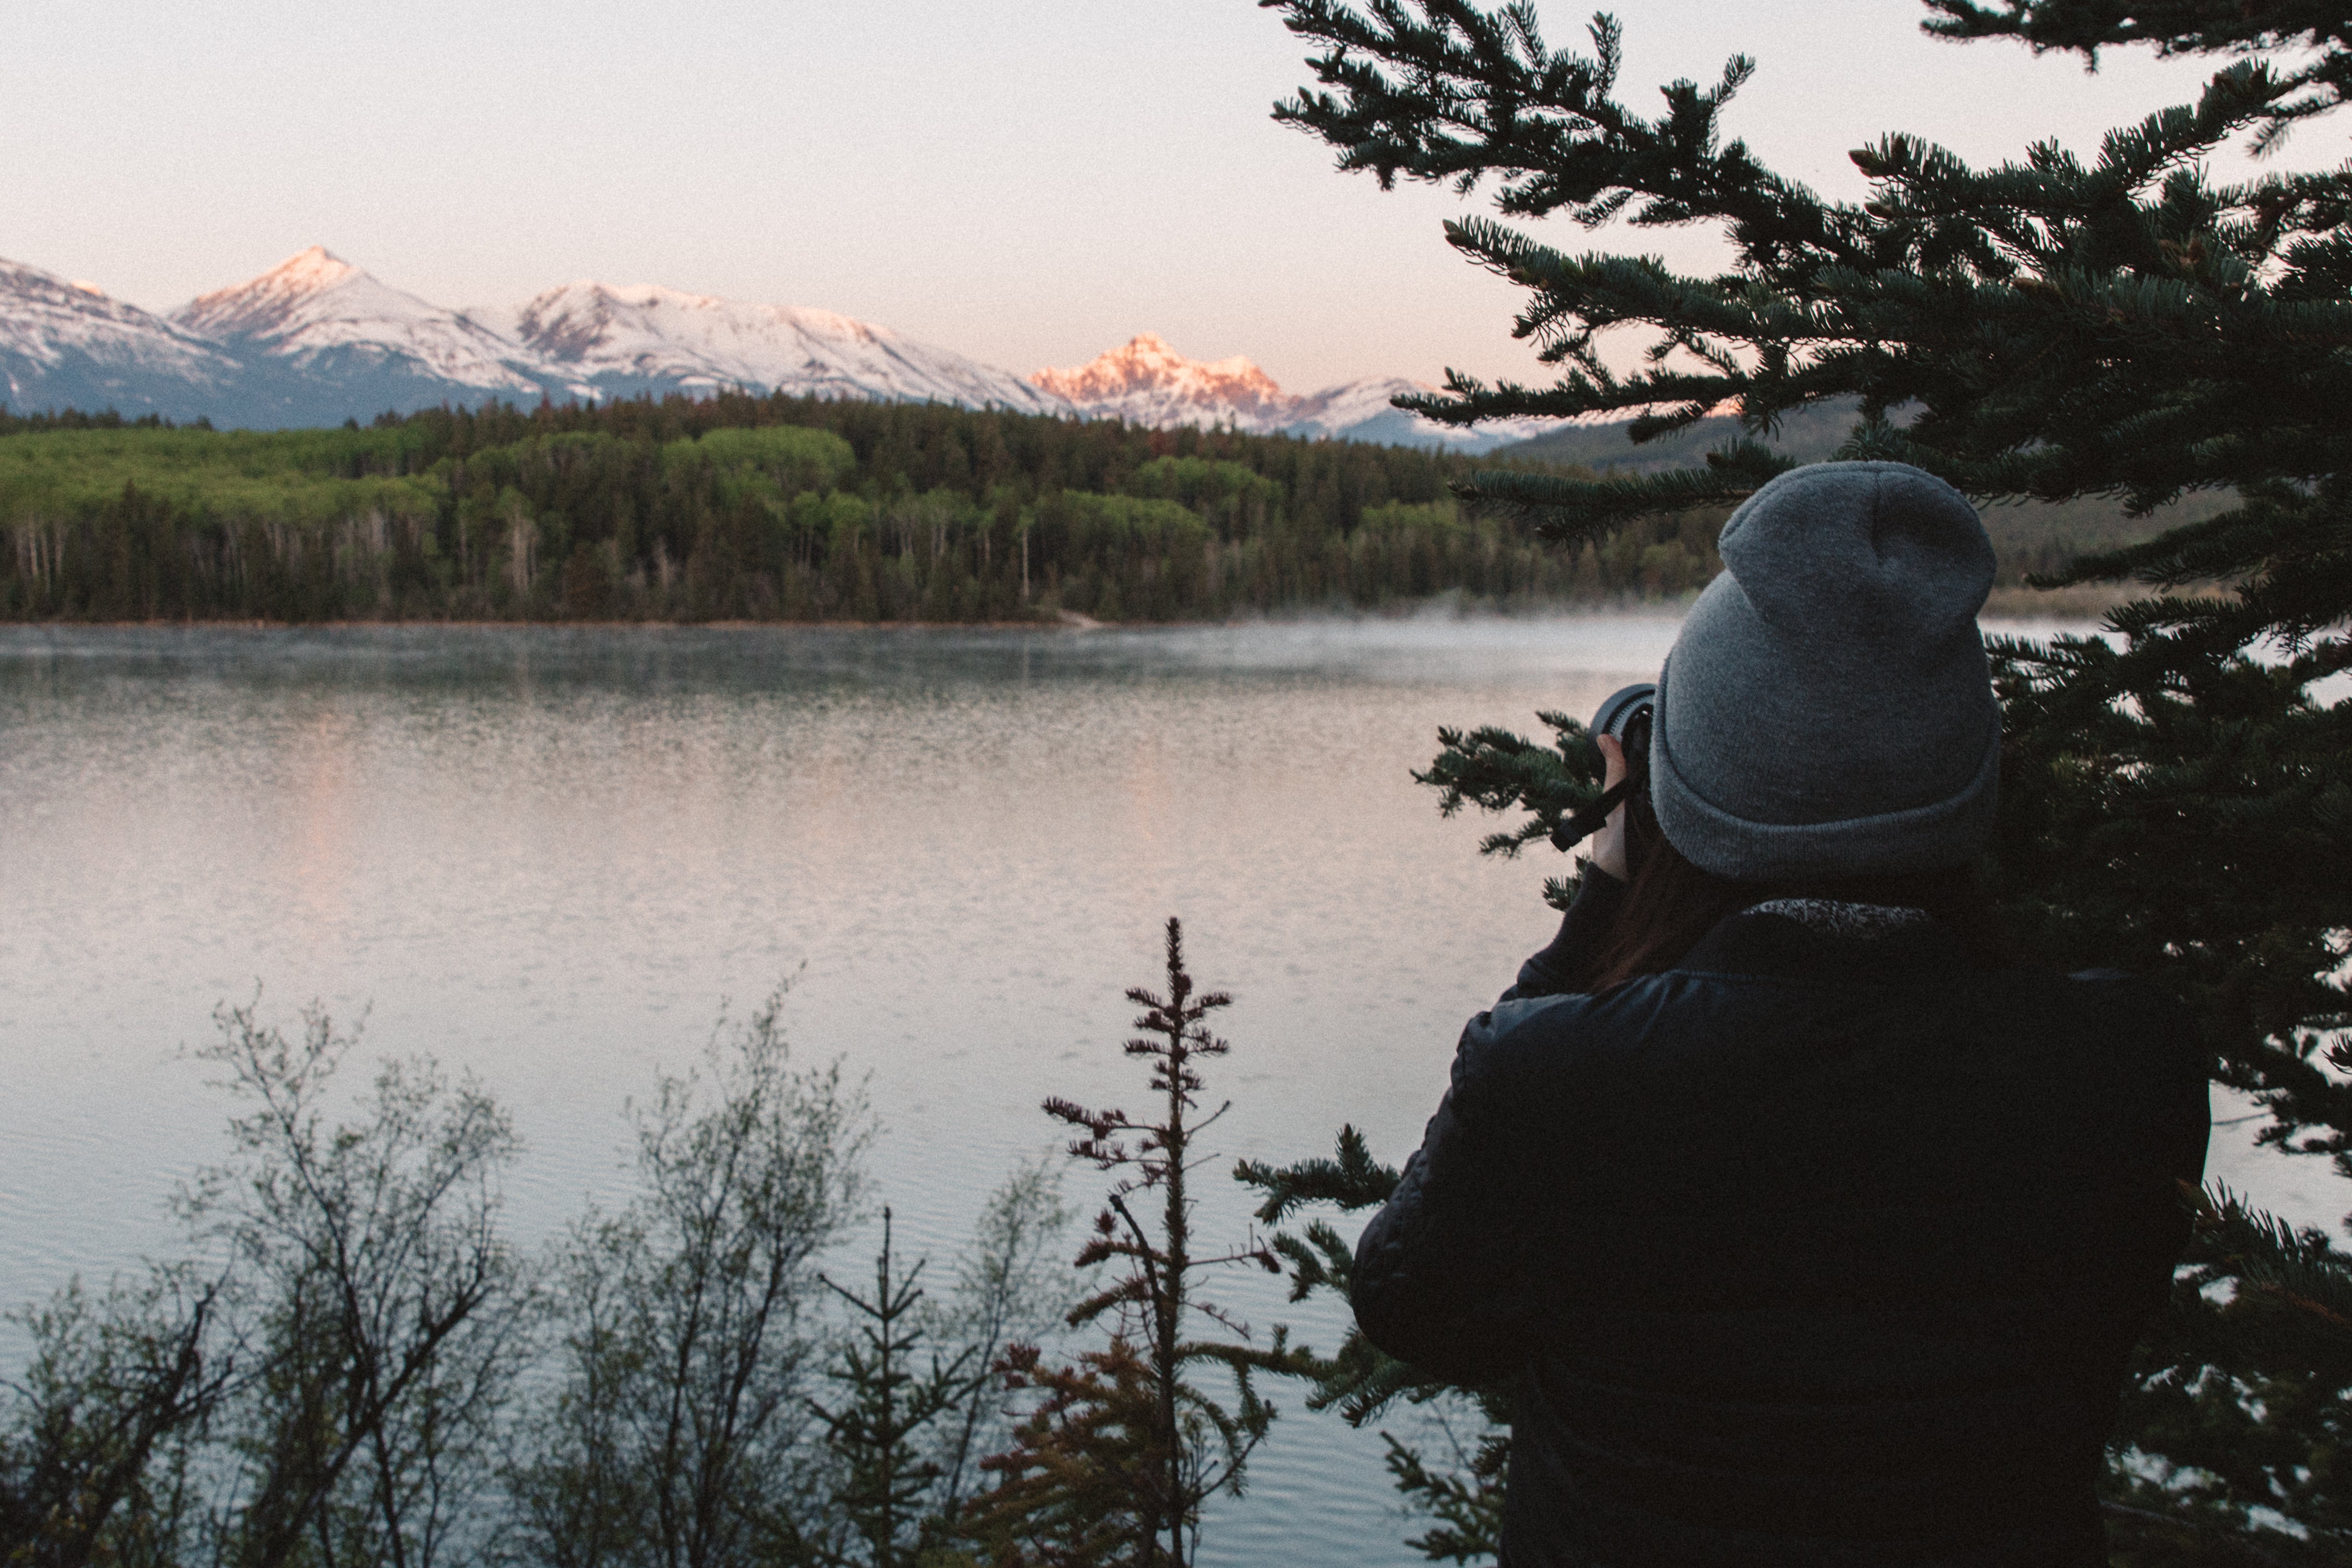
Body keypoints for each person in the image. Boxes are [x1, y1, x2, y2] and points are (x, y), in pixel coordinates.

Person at [1350, 462, 2210, 1566]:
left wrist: (1603, 900)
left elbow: (1413, 1309)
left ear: (1684, 788)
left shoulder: (1562, 1072)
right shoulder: (2125, 1059)